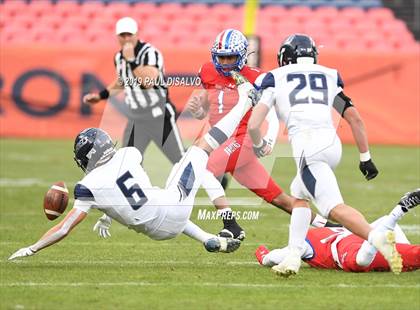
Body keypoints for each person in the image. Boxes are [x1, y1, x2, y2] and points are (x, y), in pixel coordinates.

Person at [7, 72, 260, 261]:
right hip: (172, 211)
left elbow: (64, 227)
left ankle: (208, 239)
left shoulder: (87, 187)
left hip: (158, 232)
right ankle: (246, 101)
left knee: (170, 187)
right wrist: (106, 213)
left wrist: (32, 248)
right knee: (201, 147)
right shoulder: (128, 154)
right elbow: (125, 185)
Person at [247, 34, 401, 276]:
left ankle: (376, 237)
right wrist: (365, 157)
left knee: (332, 208)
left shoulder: (275, 78)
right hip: (331, 145)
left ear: (285, 57)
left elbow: (254, 124)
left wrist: (258, 145)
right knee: (299, 195)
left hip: (310, 149)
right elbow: (355, 119)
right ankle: (294, 256)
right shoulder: (329, 75)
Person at [186, 29, 337, 240]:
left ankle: (231, 225)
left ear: (242, 55)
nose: (226, 62)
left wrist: (268, 140)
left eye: (231, 57)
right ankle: (332, 226)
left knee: (205, 168)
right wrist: (198, 110)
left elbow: (272, 114)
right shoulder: (208, 71)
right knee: (278, 198)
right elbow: (208, 107)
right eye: (222, 57)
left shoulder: (258, 77)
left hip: (243, 139)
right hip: (222, 139)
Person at [83, 17, 185, 165]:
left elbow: (148, 82)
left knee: (179, 161)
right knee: (127, 162)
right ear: (117, 37)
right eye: (122, 35)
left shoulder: (150, 53)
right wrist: (100, 96)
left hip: (159, 115)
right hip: (136, 117)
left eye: (129, 35)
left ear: (137, 34)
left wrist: (131, 60)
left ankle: (215, 178)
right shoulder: (119, 57)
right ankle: (140, 188)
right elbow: (123, 81)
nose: (126, 39)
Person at [255, 189, 420, 272]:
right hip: (358, 238)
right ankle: (397, 218)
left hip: (348, 249)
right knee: (384, 238)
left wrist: (263, 255)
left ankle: (398, 212)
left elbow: (277, 256)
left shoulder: (304, 243)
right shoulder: (321, 230)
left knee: (362, 261)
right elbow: (319, 221)